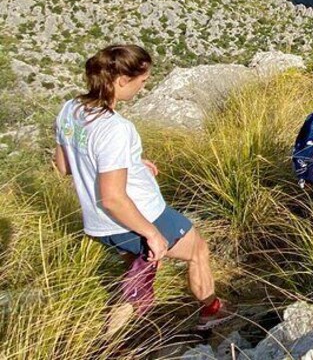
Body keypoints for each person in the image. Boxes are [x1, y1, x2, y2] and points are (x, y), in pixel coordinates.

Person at [53, 44, 236, 331]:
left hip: (99, 223)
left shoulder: (70, 109)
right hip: (138, 215)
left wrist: (133, 164)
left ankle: (111, 338)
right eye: (142, 80)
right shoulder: (115, 128)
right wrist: (152, 234)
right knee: (197, 250)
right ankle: (211, 312)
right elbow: (113, 198)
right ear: (122, 80)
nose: (143, 86)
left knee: (139, 271)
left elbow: (64, 166)